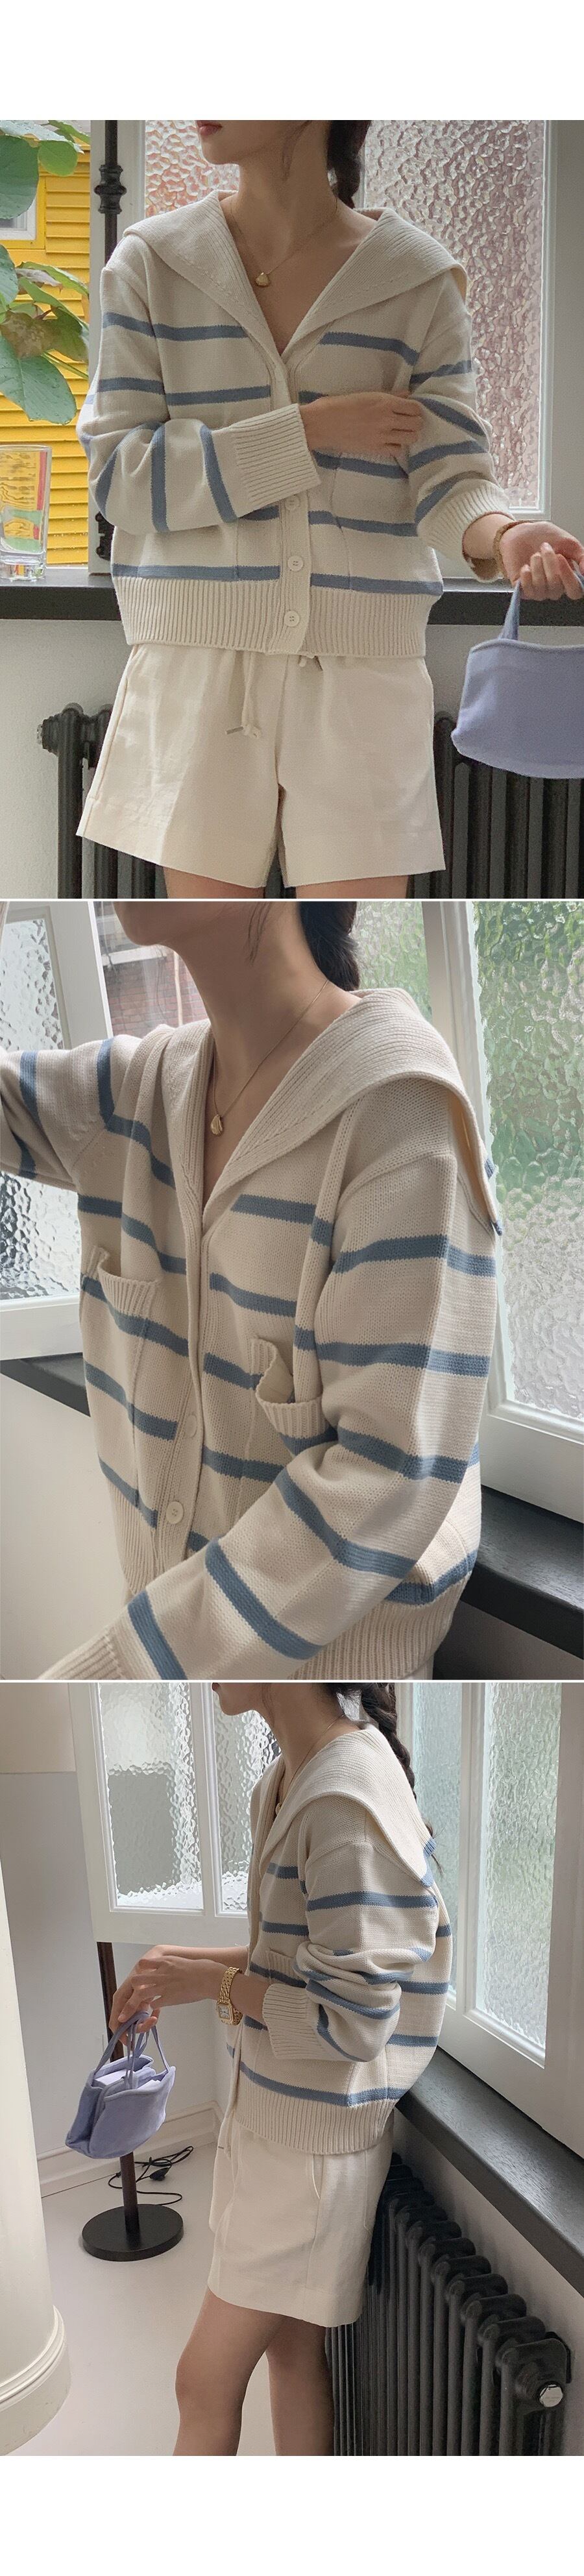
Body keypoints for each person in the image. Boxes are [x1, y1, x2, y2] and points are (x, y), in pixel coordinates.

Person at [77, 120, 584, 899]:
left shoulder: (415, 280)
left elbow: (450, 477)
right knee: (225, 950)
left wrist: (508, 533)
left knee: (354, 942)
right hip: (197, 663)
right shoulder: (153, 264)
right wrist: (306, 433)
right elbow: (123, 476)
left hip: (364, 672)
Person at [0, 898, 500, 1683]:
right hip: (179, 1671)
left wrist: (114, 1676)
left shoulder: (400, 1117)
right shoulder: (136, 1093)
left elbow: (381, 1482)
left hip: (330, 1687)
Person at [108, 1679, 452, 2457]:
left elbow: (351, 2023)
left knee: (201, 2382)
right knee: (292, 2356)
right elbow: (292, 1959)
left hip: (308, 2159)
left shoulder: (345, 1803)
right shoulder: (290, 1778)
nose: (201, 1664)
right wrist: (179, 1968)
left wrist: (213, 1982)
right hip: (283, 2128)